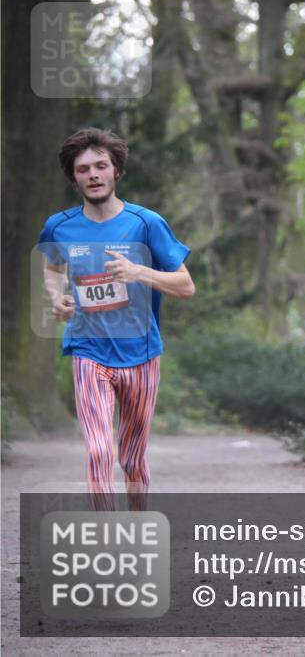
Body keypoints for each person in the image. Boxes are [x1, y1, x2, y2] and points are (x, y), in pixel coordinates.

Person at [37, 128, 195, 511]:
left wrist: (140, 273)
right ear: (73, 177)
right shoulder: (59, 226)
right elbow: (52, 267)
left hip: (141, 353)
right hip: (88, 350)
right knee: (98, 448)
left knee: (131, 458)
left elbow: (186, 286)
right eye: (83, 169)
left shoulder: (146, 223)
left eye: (100, 166)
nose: (92, 174)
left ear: (115, 171)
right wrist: (57, 298)